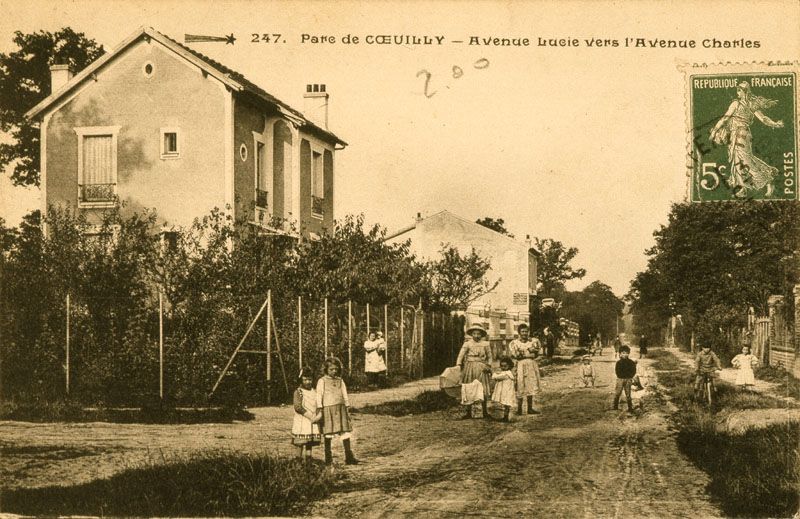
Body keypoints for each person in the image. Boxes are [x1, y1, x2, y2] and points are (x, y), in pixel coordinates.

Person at [710, 81, 784, 198]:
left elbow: (763, 118)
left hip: (742, 134)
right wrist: (775, 124)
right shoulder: (742, 104)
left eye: (739, 90)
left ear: (744, 91)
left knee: (746, 160)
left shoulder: (745, 104)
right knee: (737, 160)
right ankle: (743, 188)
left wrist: (774, 124)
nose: (737, 93)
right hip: (736, 134)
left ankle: (768, 180)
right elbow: (726, 118)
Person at [316, 357, 358, 465]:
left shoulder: (340, 380)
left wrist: (347, 405)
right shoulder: (322, 381)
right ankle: (328, 458)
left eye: (336, 369)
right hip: (328, 408)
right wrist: (320, 407)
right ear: (326, 369)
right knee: (328, 433)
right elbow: (319, 395)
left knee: (345, 431)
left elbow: (344, 393)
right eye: (331, 369)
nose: (334, 371)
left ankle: (349, 456)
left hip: (340, 408)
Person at [455, 323, 493, 419]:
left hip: (481, 367)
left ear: (482, 334)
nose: (476, 336)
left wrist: (488, 365)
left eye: (478, 333)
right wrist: (458, 364)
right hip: (470, 367)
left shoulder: (485, 344)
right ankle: (468, 412)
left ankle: (485, 412)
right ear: (471, 334)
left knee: (482, 387)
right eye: (474, 333)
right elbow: (461, 354)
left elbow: (490, 356)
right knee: (469, 387)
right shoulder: (467, 343)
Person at [508, 323, 541, 414]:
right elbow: (516, 356)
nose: (524, 333)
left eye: (526, 331)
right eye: (522, 331)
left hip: (531, 364)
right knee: (520, 384)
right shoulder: (515, 343)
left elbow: (536, 354)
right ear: (519, 332)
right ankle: (519, 409)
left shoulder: (533, 342)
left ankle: (530, 408)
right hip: (520, 365)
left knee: (530, 384)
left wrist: (527, 353)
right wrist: (528, 353)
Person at [292, 367, 322, 460]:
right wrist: (309, 416)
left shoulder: (315, 391)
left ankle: (309, 459)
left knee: (310, 441)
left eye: (310, 379)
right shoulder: (299, 392)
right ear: (301, 380)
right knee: (300, 441)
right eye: (305, 379)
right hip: (303, 419)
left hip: (313, 419)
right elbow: (298, 407)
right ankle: (298, 459)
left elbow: (318, 404)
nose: (308, 382)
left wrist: (317, 416)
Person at [491, 357, 517, 422]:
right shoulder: (504, 372)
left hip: (507, 391)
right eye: (501, 366)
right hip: (504, 390)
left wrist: (492, 373)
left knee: (507, 403)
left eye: (505, 366)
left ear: (510, 366)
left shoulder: (508, 373)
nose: (503, 368)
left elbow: (498, 377)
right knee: (505, 404)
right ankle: (505, 416)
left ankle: (506, 417)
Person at [613, 345, 637, 412]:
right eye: (623, 353)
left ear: (628, 353)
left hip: (628, 379)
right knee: (618, 393)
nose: (625, 354)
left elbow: (633, 371)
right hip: (620, 379)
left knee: (628, 394)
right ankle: (615, 406)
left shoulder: (631, 362)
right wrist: (622, 376)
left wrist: (629, 376)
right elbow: (617, 372)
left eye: (626, 353)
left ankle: (630, 407)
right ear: (620, 354)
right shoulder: (618, 363)